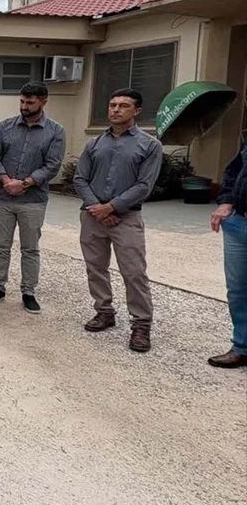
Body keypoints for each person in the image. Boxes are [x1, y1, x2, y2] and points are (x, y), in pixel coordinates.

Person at [73, 88, 163, 353]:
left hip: (127, 218)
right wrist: (96, 207)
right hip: (92, 217)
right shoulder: (94, 144)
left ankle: (141, 324)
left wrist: (111, 208)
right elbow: (80, 178)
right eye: (112, 105)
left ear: (136, 111)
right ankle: (104, 311)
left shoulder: (149, 145)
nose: (115, 110)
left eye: (123, 106)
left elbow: (144, 185)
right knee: (95, 267)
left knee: (134, 272)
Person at [0, 81, 66, 314]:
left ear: (43, 102)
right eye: (22, 101)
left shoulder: (55, 131)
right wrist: (6, 181)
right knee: (0, 246)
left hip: (33, 200)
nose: (24, 106)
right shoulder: (5, 127)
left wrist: (26, 183)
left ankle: (28, 292)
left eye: (30, 102)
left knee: (30, 248)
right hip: (2, 196)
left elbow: (52, 165)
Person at [207, 140, 247, 368]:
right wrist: (226, 202)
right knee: (238, 291)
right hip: (239, 223)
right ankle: (242, 348)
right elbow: (233, 172)